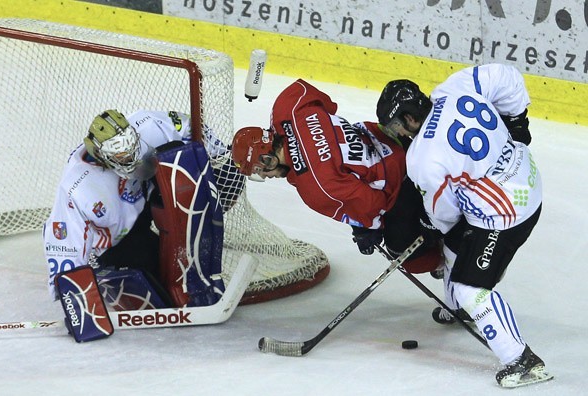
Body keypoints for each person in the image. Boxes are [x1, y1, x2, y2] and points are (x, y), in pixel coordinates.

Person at [375, 63, 552, 388]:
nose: (399, 134)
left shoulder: (421, 157)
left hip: (509, 210)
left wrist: (429, 226)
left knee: (471, 285)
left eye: (397, 126)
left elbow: (444, 213)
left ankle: (521, 360)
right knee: (455, 246)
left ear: (411, 118)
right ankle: (460, 310)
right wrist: (516, 119)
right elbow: (505, 76)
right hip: (527, 175)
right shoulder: (453, 89)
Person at [231, 78, 443, 277]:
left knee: (405, 253)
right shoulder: (288, 108)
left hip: (399, 180)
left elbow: (373, 204)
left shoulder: (314, 187)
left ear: (268, 159)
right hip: (392, 138)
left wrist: (368, 228)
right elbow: (324, 101)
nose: (266, 177)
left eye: (261, 171)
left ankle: (450, 262)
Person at [43, 110, 245, 314]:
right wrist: (75, 302)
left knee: (182, 154)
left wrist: (220, 157)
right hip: (120, 237)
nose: (132, 159)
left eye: (133, 149)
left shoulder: (149, 124)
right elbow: (63, 245)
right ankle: (120, 264)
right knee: (161, 290)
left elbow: (188, 125)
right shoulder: (76, 187)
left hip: (150, 196)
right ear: (102, 156)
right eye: (123, 157)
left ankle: (189, 232)